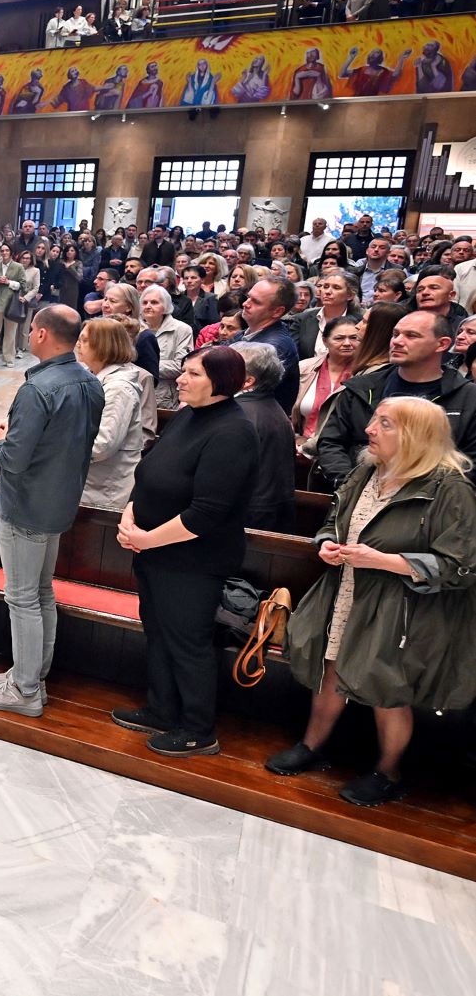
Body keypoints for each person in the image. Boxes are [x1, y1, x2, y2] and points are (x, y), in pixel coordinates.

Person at [270, 398, 476, 807]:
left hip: (401, 605)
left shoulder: (449, 487)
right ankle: (312, 745)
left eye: (385, 423)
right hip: (347, 589)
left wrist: (384, 561)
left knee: (387, 688)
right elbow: (335, 520)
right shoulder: (368, 470)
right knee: (330, 668)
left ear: (415, 435)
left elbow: (460, 564)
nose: (369, 429)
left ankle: (389, 771)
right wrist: (326, 543)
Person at [114, 346, 257, 757]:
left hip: (194, 561)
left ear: (221, 382)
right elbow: (151, 471)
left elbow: (206, 513)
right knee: (159, 633)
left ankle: (198, 729)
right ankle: (162, 710)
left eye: (193, 374)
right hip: (155, 552)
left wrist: (146, 538)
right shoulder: (190, 415)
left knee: (188, 643)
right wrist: (130, 515)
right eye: (184, 371)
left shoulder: (233, 431)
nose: (180, 379)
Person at [0, 306, 104, 716]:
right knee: (42, 592)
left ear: (43, 334)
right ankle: (32, 675)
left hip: (26, 505)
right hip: (59, 500)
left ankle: (24, 690)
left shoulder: (39, 388)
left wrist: (0, 440)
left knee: (22, 598)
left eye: (31, 329)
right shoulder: (90, 381)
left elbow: (14, 459)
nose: (29, 335)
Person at [316, 311, 476, 484]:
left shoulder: (468, 397)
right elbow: (331, 442)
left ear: (442, 344)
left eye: (411, 335)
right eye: (395, 334)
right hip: (361, 489)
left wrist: (431, 492)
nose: (397, 341)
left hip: (434, 495)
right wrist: (350, 485)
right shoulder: (362, 388)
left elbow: (471, 461)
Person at [76, 317, 155, 510]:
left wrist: (56, 448)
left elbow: (103, 444)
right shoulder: (93, 376)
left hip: (104, 488)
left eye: (84, 340)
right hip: (89, 481)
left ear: (103, 345)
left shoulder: (119, 388)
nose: (78, 344)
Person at [233, 343, 297, 531]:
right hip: (268, 514)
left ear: (248, 381)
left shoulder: (237, 414)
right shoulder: (269, 405)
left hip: (248, 518)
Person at [230, 278, 301, 411]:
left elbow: (235, 388)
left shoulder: (274, 348)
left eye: (256, 302)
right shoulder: (244, 334)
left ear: (277, 311)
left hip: (253, 417)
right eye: (248, 297)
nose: (245, 304)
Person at [295, 316, 361, 455]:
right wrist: (294, 438)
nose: (347, 343)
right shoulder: (304, 368)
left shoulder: (365, 373)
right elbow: (288, 411)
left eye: (353, 338)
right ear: (325, 341)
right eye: (339, 338)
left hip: (342, 452)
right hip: (300, 448)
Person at [141, 286, 194, 409]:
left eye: (154, 302)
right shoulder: (134, 328)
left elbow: (181, 366)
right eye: (144, 302)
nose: (148, 306)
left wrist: (144, 365)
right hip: (138, 392)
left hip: (166, 398)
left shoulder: (182, 329)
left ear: (166, 306)